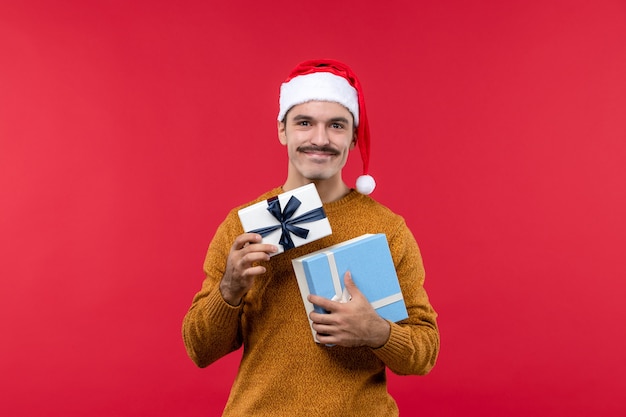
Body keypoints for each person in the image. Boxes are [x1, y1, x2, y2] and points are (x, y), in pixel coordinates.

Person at [182, 59, 439, 416]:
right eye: (305, 123)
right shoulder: (242, 226)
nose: (320, 139)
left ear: (353, 136)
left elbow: (425, 352)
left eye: (336, 125)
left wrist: (378, 332)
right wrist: (230, 289)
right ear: (282, 131)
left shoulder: (388, 228)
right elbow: (200, 349)